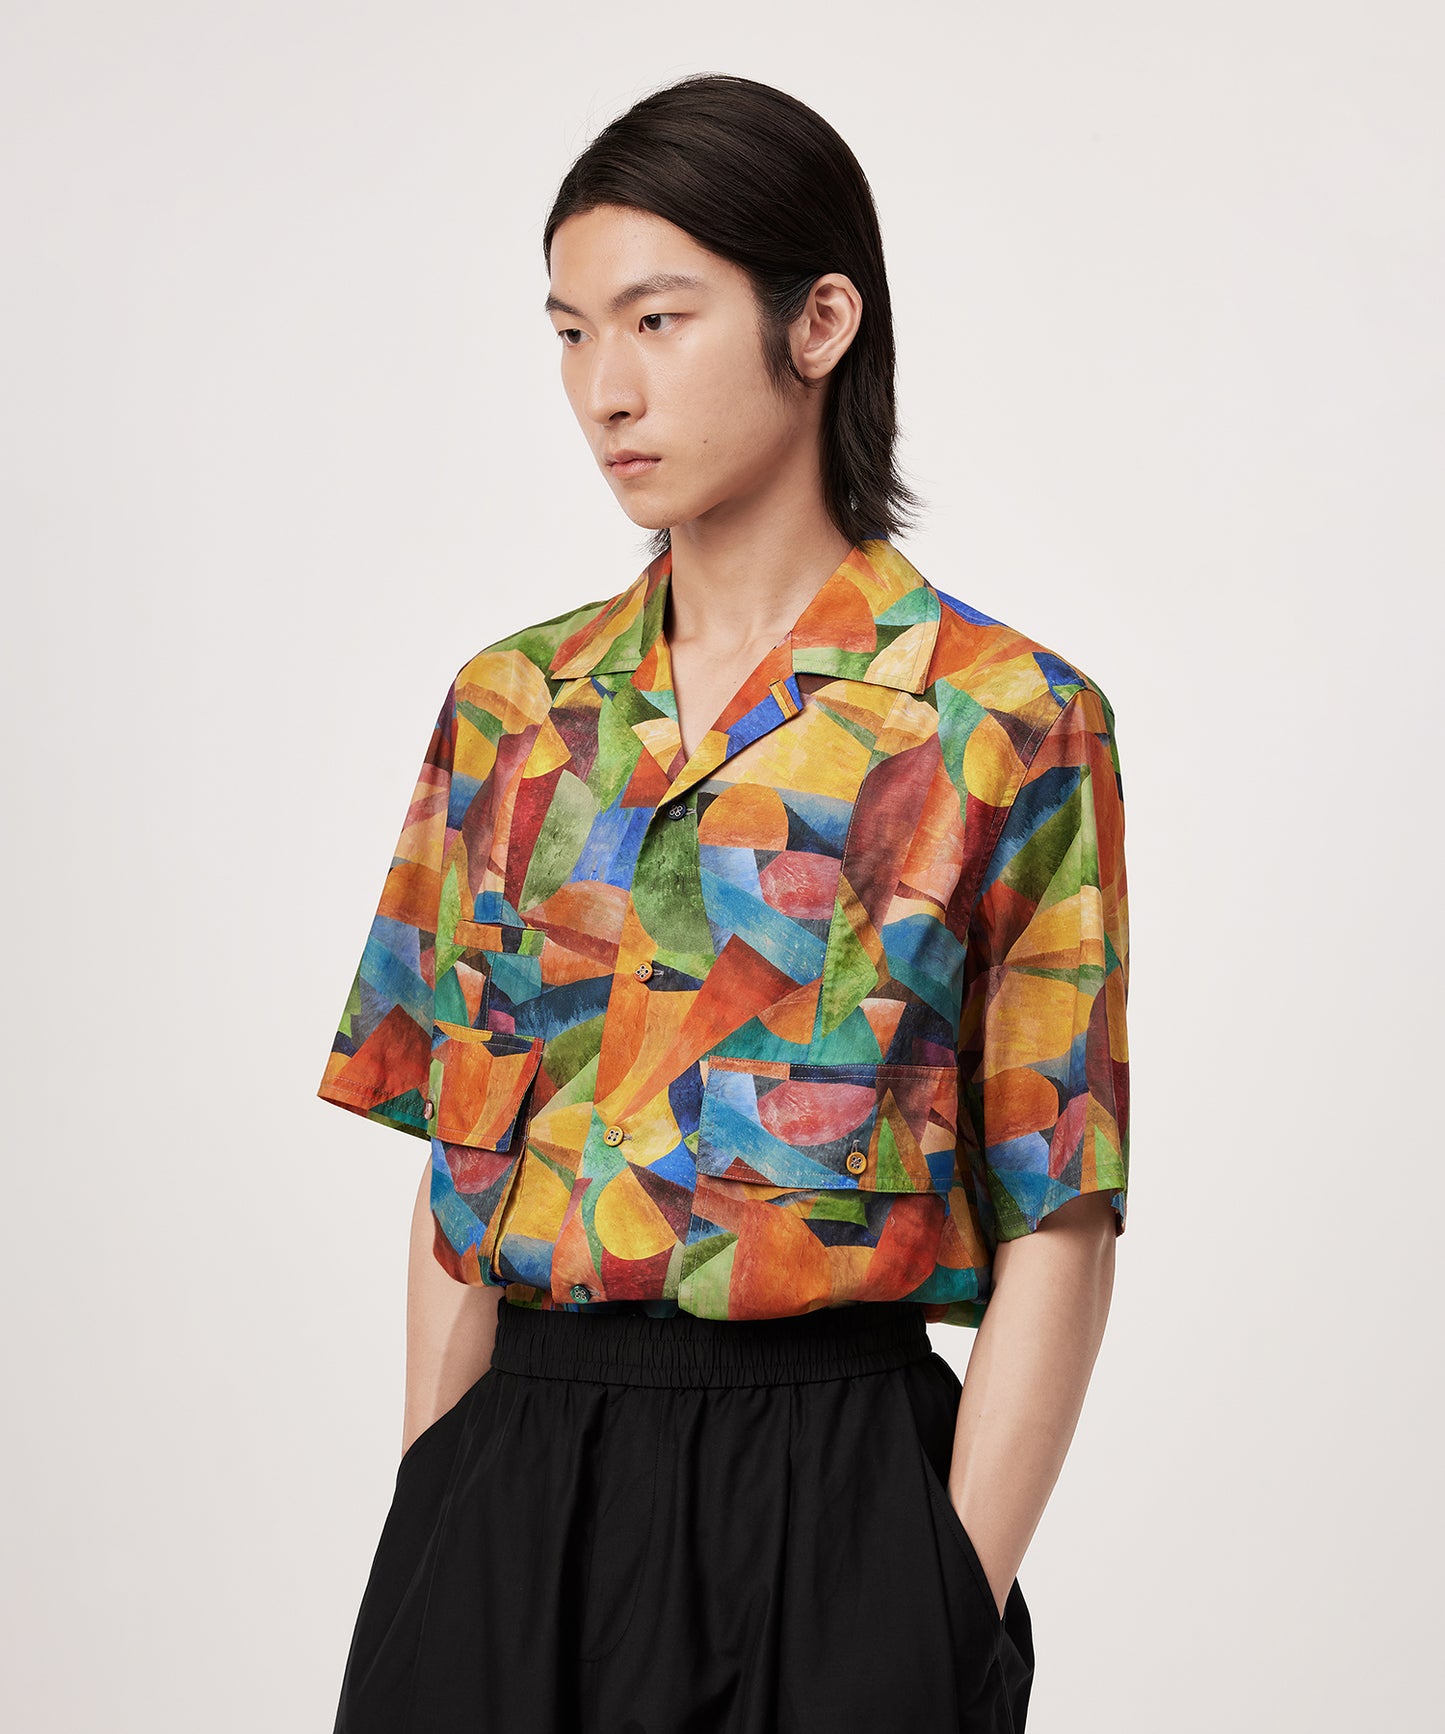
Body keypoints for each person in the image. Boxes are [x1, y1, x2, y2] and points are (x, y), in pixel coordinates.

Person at [315, 71, 1128, 1734]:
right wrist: (433, 1516)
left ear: (818, 321)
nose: (602, 389)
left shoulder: (1001, 723)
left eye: (656, 319)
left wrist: (941, 1594)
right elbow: (458, 1167)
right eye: (568, 333)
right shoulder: (514, 711)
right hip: (513, 1483)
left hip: (833, 1493)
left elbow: (1058, 1205)